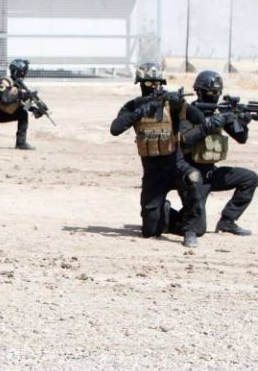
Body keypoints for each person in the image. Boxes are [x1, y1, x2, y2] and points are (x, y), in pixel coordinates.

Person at [109, 63, 205, 247]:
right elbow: (115, 129)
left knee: (193, 177)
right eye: (148, 83)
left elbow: (199, 119)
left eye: (156, 83)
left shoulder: (171, 103)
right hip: (153, 173)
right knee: (150, 230)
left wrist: (180, 104)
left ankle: (190, 229)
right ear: (140, 84)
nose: (153, 87)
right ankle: (164, 211)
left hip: (176, 166)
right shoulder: (134, 105)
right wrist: (139, 112)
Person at [183, 70, 256, 235]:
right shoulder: (188, 112)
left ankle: (227, 222)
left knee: (250, 178)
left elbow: (241, 138)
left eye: (217, 93)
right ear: (198, 92)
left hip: (211, 173)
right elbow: (185, 140)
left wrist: (241, 122)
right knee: (197, 227)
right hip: (192, 175)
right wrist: (208, 125)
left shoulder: (220, 113)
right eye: (210, 93)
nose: (214, 96)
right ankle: (167, 215)